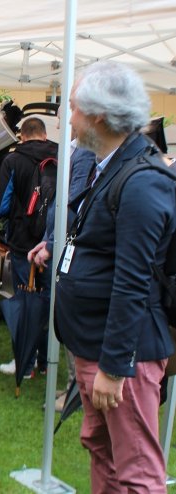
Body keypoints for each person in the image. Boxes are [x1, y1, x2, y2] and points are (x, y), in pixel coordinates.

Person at [55, 60, 175, 494]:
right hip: (96, 346)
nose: (68, 118)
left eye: (71, 108)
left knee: (138, 473)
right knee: (101, 450)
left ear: (98, 115)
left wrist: (114, 366)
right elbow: (102, 247)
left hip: (122, 356)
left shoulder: (142, 180)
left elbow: (133, 282)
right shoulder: (109, 164)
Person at [27, 110, 96, 411]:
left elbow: (73, 202)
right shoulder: (78, 151)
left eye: (64, 114)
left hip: (71, 251)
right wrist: (48, 239)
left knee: (70, 322)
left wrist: (52, 244)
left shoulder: (83, 153)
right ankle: (74, 389)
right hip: (63, 245)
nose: (60, 123)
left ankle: (74, 391)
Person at [0, 116, 57, 377]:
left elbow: (1, 206)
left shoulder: (13, 159)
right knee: (46, 301)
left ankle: (24, 362)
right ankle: (45, 361)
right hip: (51, 241)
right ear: (43, 133)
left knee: (23, 302)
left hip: (23, 242)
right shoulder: (63, 156)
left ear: (22, 135)